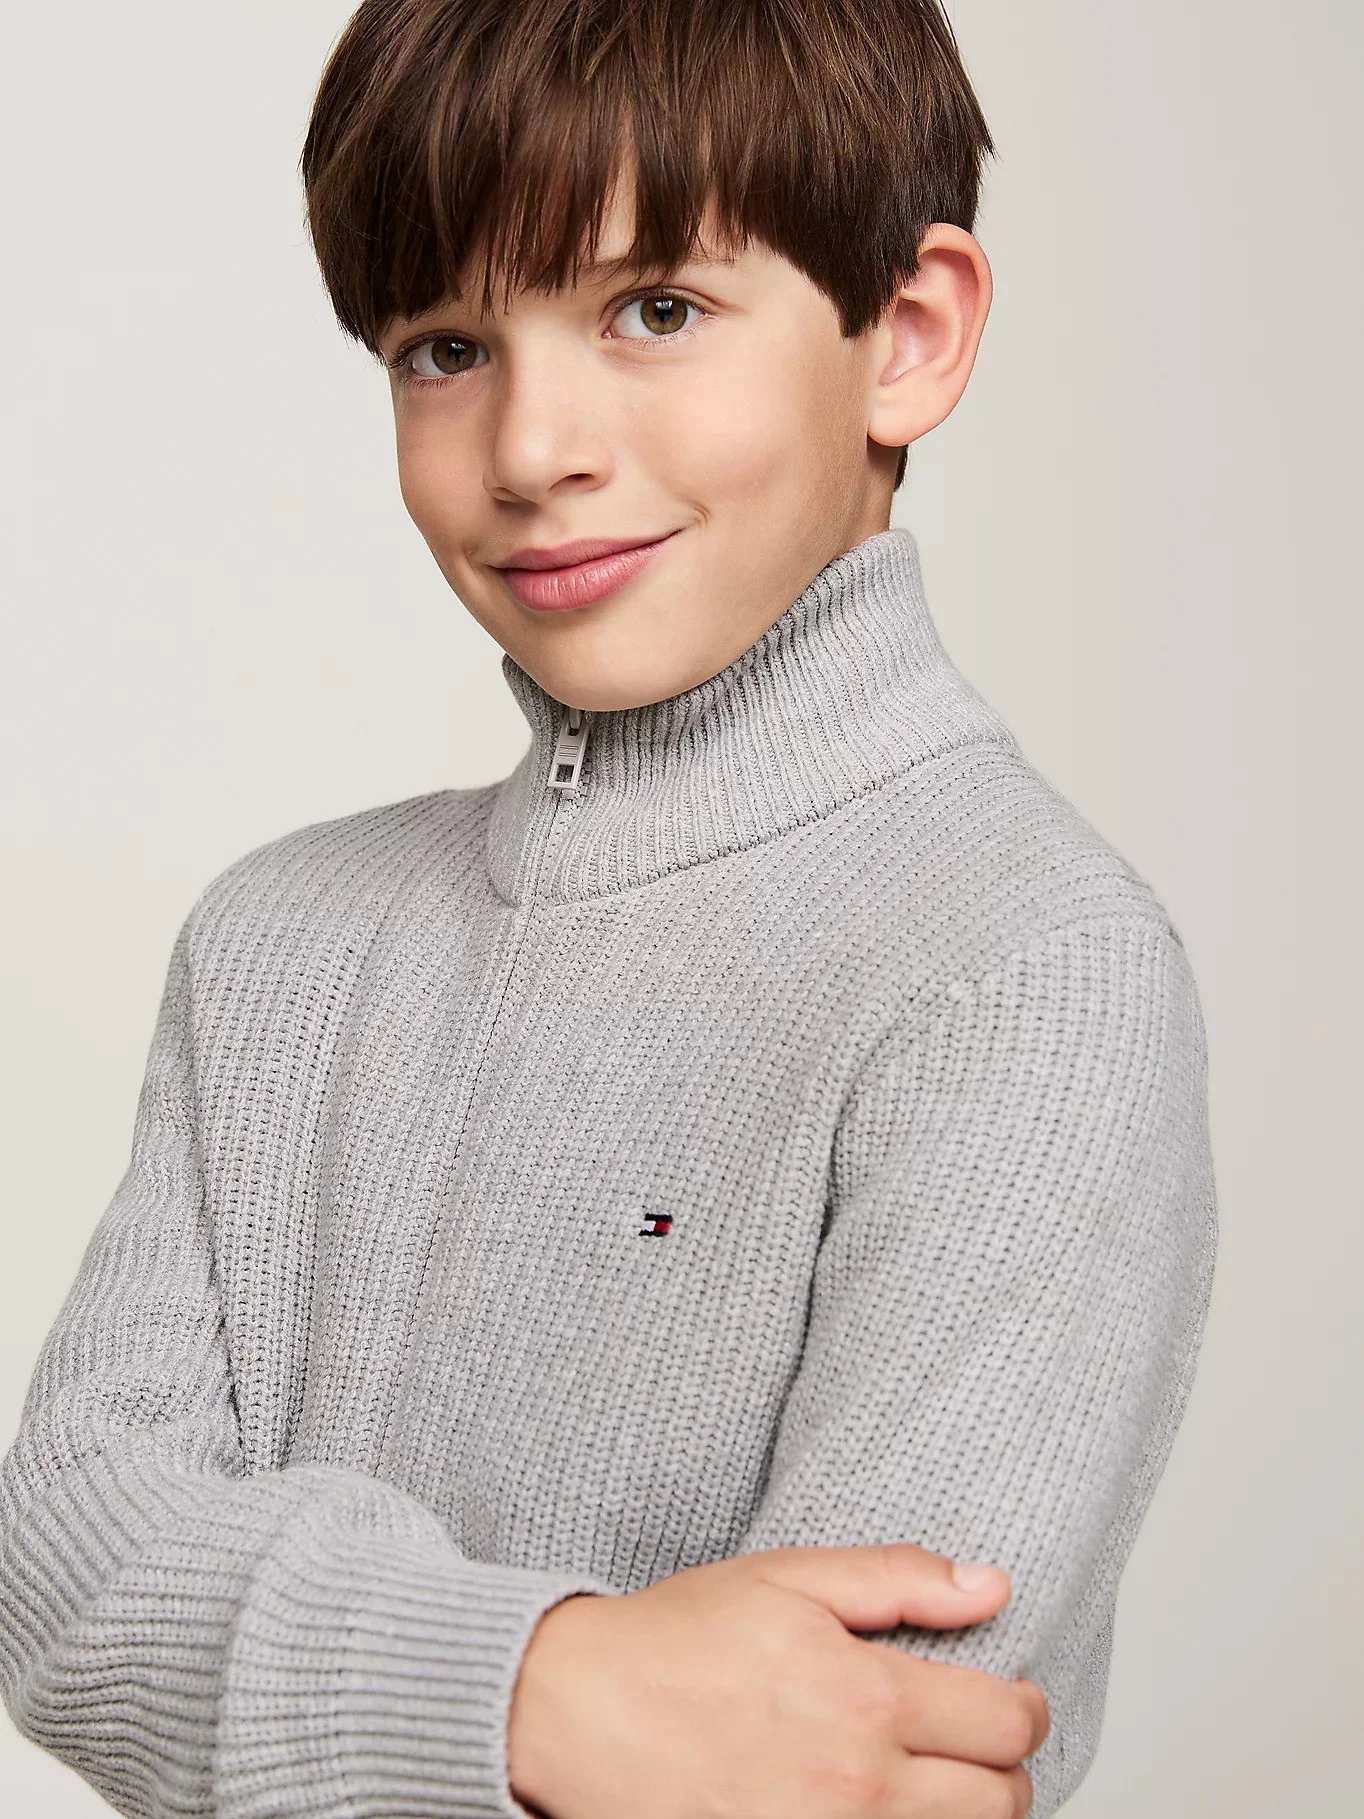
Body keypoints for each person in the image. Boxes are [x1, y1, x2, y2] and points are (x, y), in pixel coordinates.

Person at [0, 3, 1218, 1817]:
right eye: (445, 347)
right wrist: (532, 1687)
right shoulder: (279, 943)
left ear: (909, 334)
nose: (532, 445)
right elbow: (63, 1569)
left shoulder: (1024, 969)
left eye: (655, 309)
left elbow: (853, 1751)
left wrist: (288, 1661)